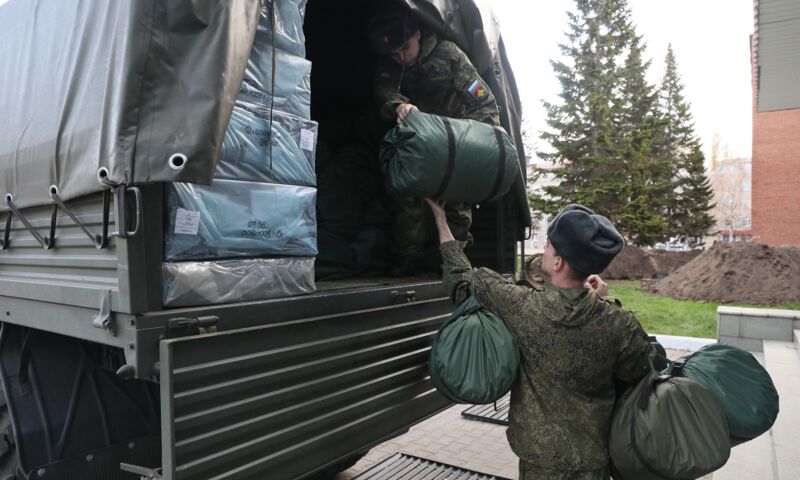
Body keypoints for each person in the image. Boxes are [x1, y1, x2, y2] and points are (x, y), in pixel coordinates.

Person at [425, 200, 653, 480]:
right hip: (595, 462)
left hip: (539, 463)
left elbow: (462, 280)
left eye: (548, 245)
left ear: (558, 262)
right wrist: (602, 303)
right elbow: (643, 373)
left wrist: (440, 219)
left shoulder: (521, 307)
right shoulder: (620, 323)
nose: (543, 249)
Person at [367, 8, 501, 276]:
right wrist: (399, 106)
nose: (401, 57)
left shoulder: (449, 56)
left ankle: (455, 268)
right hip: (416, 146)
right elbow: (384, 89)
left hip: (454, 146)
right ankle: (408, 267)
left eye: (405, 48)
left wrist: (476, 143)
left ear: (418, 34)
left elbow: (484, 103)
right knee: (408, 205)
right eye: (394, 54)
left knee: (456, 210)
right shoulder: (394, 62)